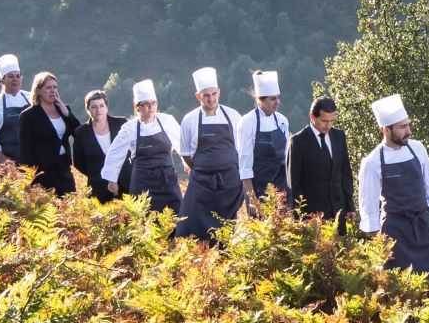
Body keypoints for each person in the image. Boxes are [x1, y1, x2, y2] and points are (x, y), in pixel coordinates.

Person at [358, 94, 429, 283]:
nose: (408, 131)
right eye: (402, 127)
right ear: (386, 130)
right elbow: (368, 206)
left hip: (423, 226)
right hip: (394, 232)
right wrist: (379, 246)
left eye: (408, 125)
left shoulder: (417, 148)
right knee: (399, 286)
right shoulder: (373, 161)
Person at [176, 67, 245, 241]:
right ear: (198, 96)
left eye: (214, 94)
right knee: (191, 226)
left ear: (219, 92)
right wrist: (203, 168)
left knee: (226, 230)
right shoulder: (189, 120)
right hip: (201, 184)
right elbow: (185, 154)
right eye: (206, 95)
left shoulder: (233, 116)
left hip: (229, 184)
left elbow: (241, 149)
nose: (211, 98)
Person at [101, 79, 185, 218]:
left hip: (167, 179)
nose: (151, 107)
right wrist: (112, 181)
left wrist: (186, 161)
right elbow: (115, 153)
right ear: (137, 107)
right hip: (142, 182)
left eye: (153, 103)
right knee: (144, 220)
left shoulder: (167, 120)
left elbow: (181, 142)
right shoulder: (130, 128)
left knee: (175, 217)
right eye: (146, 104)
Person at [285, 96, 353, 231]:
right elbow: (294, 183)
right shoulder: (298, 141)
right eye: (324, 121)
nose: (328, 125)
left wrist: (350, 206)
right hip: (312, 216)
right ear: (312, 116)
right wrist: (299, 217)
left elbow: (345, 173)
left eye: (332, 120)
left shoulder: (339, 136)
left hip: (338, 212)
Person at [17, 71, 79, 195]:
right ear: (38, 90)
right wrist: (28, 178)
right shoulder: (28, 115)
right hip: (42, 170)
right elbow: (25, 150)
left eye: (55, 87)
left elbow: (79, 133)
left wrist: (67, 114)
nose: (53, 91)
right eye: (48, 87)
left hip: (64, 169)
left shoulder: (63, 109)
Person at [239, 70, 290, 212]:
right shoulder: (248, 122)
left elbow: (287, 157)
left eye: (278, 98)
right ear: (260, 99)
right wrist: (254, 201)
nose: (277, 102)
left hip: (281, 184)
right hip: (259, 186)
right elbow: (245, 166)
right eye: (272, 99)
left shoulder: (282, 120)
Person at [73, 89, 128, 204]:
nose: (98, 110)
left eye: (101, 106)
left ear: (106, 107)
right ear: (88, 109)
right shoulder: (81, 132)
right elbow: (78, 162)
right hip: (98, 189)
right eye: (94, 107)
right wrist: (96, 174)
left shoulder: (122, 124)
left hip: (125, 184)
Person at [0, 55, 31, 163]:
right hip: (9, 163)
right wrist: (3, 161)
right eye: (10, 76)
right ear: (2, 80)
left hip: (34, 161)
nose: (15, 79)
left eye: (18, 76)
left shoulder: (31, 98)